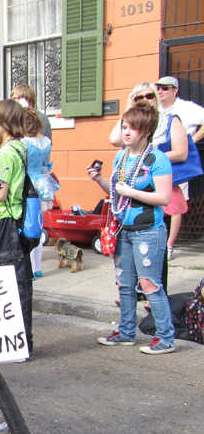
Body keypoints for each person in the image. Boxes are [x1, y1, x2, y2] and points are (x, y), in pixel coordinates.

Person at [89, 101, 175, 354]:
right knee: (124, 284)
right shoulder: (121, 156)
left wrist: (131, 191)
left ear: (146, 131)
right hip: (123, 230)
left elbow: (164, 198)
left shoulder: (157, 158)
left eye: (132, 128)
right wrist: (100, 181)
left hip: (149, 231)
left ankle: (165, 337)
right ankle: (126, 333)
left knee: (149, 285)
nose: (126, 132)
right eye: (124, 127)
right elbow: (117, 196)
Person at [0, 99, 35, 354]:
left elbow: (0, 194)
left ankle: (19, 344)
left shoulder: (5, 152)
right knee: (19, 280)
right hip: (17, 221)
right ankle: (19, 341)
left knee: (12, 283)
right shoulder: (20, 147)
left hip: (6, 221)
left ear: (4, 124)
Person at [155, 76, 204, 259]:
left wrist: (192, 140)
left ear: (175, 90)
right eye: (158, 87)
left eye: (165, 88)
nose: (160, 91)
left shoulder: (187, 107)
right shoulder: (156, 109)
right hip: (157, 160)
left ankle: (168, 245)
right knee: (156, 200)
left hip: (177, 163)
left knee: (175, 205)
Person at [22, 108, 53, 278]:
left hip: (27, 184)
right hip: (41, 182)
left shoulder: (24, 142)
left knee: (28, 225)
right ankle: (37, 266)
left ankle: (29, 267)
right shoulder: (46, 141)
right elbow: (46, 166)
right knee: (38, 225)